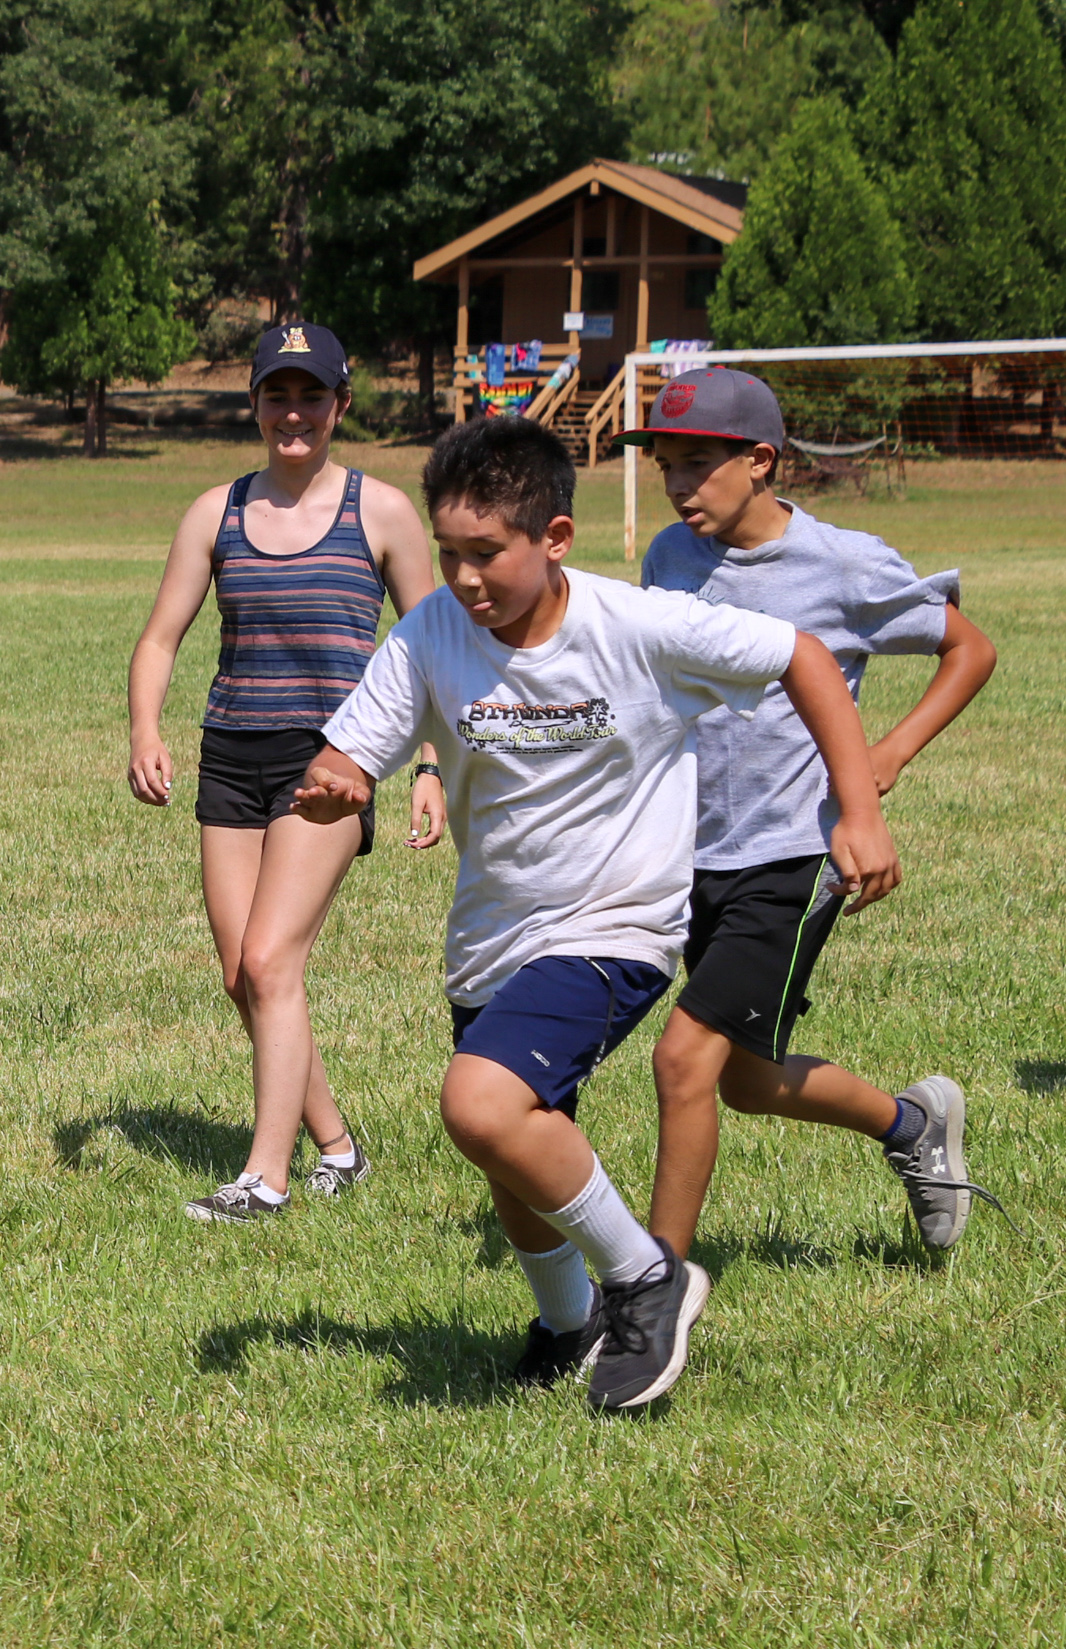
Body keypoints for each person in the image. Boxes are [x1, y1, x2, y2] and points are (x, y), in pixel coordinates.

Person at [293, 417, 900, 1410]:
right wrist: (337, 781)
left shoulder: (638, 626)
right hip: (490, 937)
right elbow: (351, 750)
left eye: (487, 551)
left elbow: (803, 655)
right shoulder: (431, 631)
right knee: (513, 1153)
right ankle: (564, 1319)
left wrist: (858, 810)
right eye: (449, 552)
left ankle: (646, 1277)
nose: (465, 576)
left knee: (479, 1101)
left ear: (555, 538)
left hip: (614, 927)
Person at [624, 369, 1002, 1259]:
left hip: (796, 856)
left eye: (696, 465)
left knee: (683, 1058)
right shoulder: (670, 557)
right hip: (697, 854)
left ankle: (655, 1284)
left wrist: (888, 754)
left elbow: (969, 649)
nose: (677, 485)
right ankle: (911, 1124)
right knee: (746, 1082)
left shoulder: (841, 563)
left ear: (760, 461)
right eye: (666, 466)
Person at [126, 322, 443, 1223]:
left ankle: (265, 1179)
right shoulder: (215, 513)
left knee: (271, 960)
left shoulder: (382, 512)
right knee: (246, 975)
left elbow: (433, 648)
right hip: (232, 754)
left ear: (341, 405)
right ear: (256, 404)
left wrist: (428, 766)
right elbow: (160, 638)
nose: (293, 413)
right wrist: (145, 729)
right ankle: (338, 1147)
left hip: (332, 765)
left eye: (311, 395)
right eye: (277, 394)